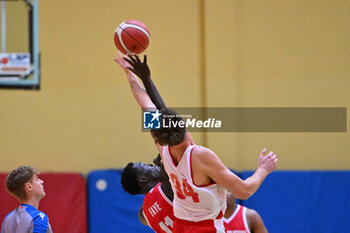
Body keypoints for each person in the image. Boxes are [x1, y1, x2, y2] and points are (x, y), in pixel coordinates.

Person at [115, 53, 278, 233]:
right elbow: (244, 191)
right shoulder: (199, 157)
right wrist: (263, 169)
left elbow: (146, 104)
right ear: (184, 126)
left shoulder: (166, 158)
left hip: (182, 227)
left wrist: (131, 75)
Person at [121, 157, 268, 233]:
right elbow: (245, 190)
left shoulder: (143, 214)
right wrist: (262, 170)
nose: (152, 165)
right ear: (142, 179)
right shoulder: (169, 187)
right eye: (147, 166)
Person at [1, 166, 52, 233]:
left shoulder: (7, 219)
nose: (41, 181)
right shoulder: (38, 218)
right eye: (37, 179)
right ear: (29, 186)